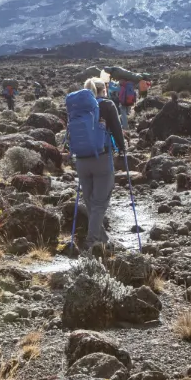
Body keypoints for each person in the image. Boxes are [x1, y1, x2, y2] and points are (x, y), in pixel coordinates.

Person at [69, 77, 127, 253]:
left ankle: (102, 239)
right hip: (101, 158)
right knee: (99, 204)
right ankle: (92, 242)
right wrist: (122, 149)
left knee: (90, 203)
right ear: (103, 90)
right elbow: (117, 130)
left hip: (81, 160)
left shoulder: (77, 106)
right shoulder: (107, 105)